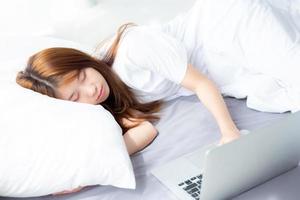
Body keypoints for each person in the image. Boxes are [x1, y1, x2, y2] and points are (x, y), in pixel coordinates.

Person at [16, 0, 274, 195]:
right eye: (74, 96)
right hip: (227, 63)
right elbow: (144, 130)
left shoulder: (132, 50)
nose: (90, 90)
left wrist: (229, 133)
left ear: (83, 60)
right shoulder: (101, 102)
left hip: (229, 24)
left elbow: (201, 83)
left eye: (83, 75)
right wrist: (85, 176)